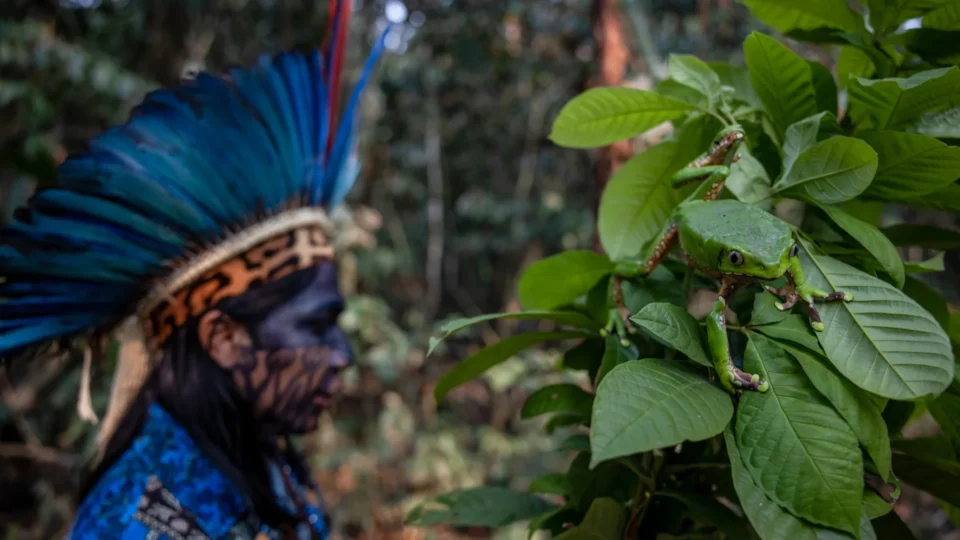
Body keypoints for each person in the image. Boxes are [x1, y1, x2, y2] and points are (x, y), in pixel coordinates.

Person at [0, 1, 389, 537]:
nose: (343, 355)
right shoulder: (141, 521)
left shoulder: (262, 452)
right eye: (316, 325)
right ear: (223, 337)